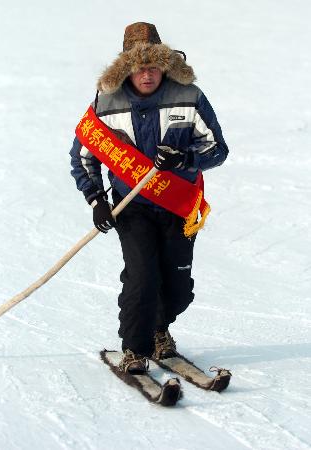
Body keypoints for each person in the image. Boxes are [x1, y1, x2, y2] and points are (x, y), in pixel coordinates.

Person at [70, 22, 229, 374]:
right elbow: (83, 157)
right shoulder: (105, 103)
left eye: (153, 65)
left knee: (178, 287)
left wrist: (184, 159)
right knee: (142, 279)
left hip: (179, 206)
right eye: (139, 67)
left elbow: (217, 150)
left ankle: (160, 331)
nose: (147, 74)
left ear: (165, 64)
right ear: (126, 67)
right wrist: (97, 199)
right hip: (133, 208)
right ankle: (135, 348)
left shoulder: (189, 97)